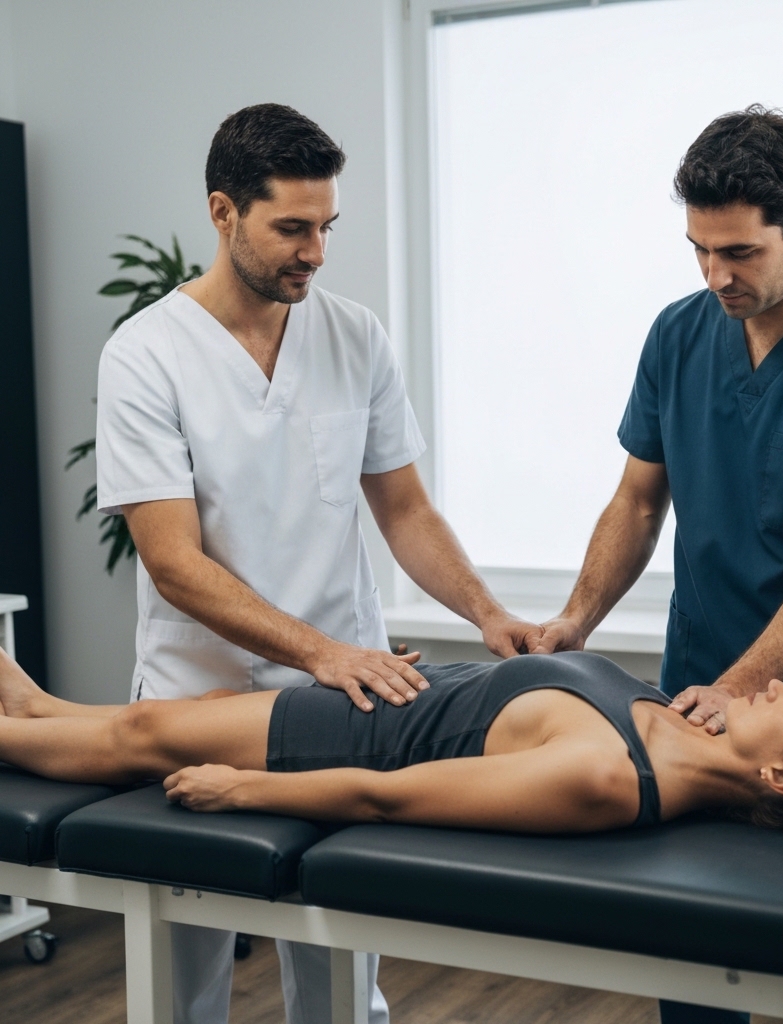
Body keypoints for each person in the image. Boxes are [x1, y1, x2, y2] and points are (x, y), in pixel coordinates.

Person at [95, 104, 539, 1024]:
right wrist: (319, 654)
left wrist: (486, 615)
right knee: (185, 974)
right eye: (292, 228)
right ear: (224, 213)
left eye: (326, 227)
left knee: (340, 968)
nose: (316, 251)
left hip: (345, 698)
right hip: (201, 691)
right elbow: (173, 563)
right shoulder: (145, 356)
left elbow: (404, 509)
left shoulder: (355, 335)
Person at [530, 106, 783, 1024]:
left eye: (741, 253)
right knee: (698, 971)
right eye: (699, 250)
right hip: (699, 703)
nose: (717, 275)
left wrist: (739, 684)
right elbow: (637, 502)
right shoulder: (679, 334)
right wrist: (573, 622)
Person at [0, 647, 783, 842]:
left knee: (146, 730)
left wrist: (243, 790)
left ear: (781, 776)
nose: (780, 685)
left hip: (370, 741)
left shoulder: (607, 777)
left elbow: (391, 799)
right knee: (180, 703)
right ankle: (37, 707)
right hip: (415, 687)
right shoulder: (691, 720)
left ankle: (19, 730)